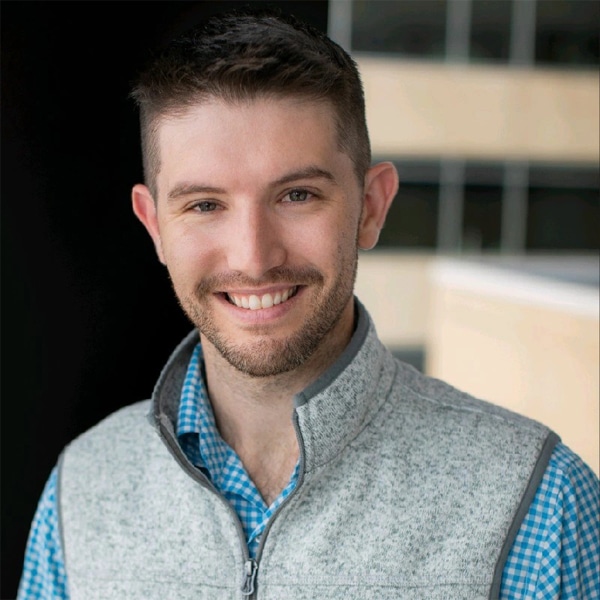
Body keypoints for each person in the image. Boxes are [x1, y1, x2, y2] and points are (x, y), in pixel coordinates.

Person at [17, 8, 599, 600]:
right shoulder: (82, 489)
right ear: (155, 226)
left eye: (297, 195)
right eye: (205, 205)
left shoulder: (538, 502)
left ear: (371, 206)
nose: (254, 256)